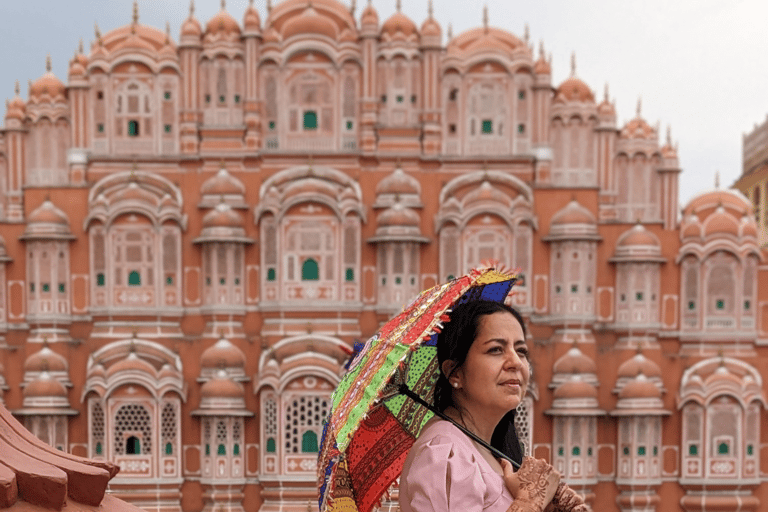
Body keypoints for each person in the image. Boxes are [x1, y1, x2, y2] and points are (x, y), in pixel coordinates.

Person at [399, 300, 588, 512]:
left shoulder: (489, 452)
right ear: (455, 372)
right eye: (496, 350)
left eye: (521, 350)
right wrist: (529, 502)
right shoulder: (445, 452)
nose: (515, 362)